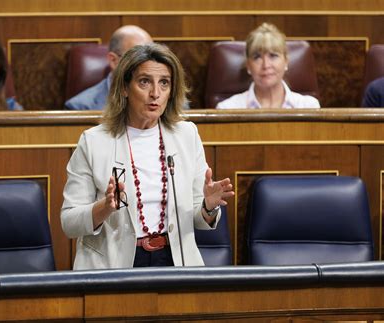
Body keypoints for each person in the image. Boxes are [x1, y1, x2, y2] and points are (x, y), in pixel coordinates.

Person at [61, 43, 234, 270]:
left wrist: (208, 206)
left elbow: (198, 219)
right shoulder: (94, 141)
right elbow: (69, 222)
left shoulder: (186, 135)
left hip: (174, 261)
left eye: (164, 83)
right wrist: (103, 208)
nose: (155, 93)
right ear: (124, 87)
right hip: (113, 264)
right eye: (144, 82)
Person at [216, 23, 320, 109]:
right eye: (257, 57)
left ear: (286, 62)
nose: (266, 65)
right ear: (248, 66)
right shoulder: (228, 108)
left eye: (273, 56)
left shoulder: (308, 106)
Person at [64, 25, 152, 111]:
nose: (148, 65)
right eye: (138, 58)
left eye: (152, 58)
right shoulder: (81, 107)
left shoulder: (161, 99)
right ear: (113, 60)